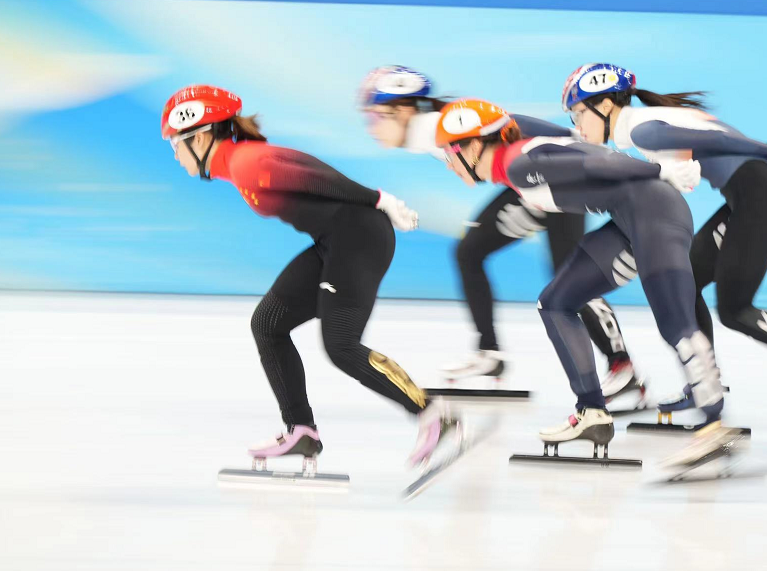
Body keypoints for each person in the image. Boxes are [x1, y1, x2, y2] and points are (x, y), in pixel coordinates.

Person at [160, 84, 455, 468]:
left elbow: (317, 178)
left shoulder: (246, 164)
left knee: (341, 345)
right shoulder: (238, 161)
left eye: (175, 144)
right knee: (268, 324)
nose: (176, 154)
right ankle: (301, 431)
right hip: (336, 240)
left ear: (199, 137)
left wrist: (380, 200)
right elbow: (306, 170)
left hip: (358, 238)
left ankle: (432, 413)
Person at [434, 98, 728, 460]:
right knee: (556, 303)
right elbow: (552, 135)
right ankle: (592, 413)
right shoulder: (515, 155)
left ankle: (715, 430)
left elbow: (597, 159)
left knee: (676, 326)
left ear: (475, 145)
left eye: (449, 153)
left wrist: (658, 171)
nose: (447, 164)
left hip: (653, 211)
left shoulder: (519, 164)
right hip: (628, 218)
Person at [561, 63, 767, 416]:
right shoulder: (644, 126)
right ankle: (704, 384)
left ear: (606, 106)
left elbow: (713, 140)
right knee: (686, 280)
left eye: (579, 113)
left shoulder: (642, 129)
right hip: (751, 195)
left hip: (761, 196)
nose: (577, 125)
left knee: (735, 309)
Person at [358, 66, 643, 401]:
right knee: (472, 253)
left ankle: (621, 365)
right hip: (533, 185)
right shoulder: (428, 129)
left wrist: (574, 146)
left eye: (376, 116)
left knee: (569, 278)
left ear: (403, 110)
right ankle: (489, 353)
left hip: (554, 182)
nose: (371, 127)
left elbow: (512, 124)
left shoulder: (433, 126)